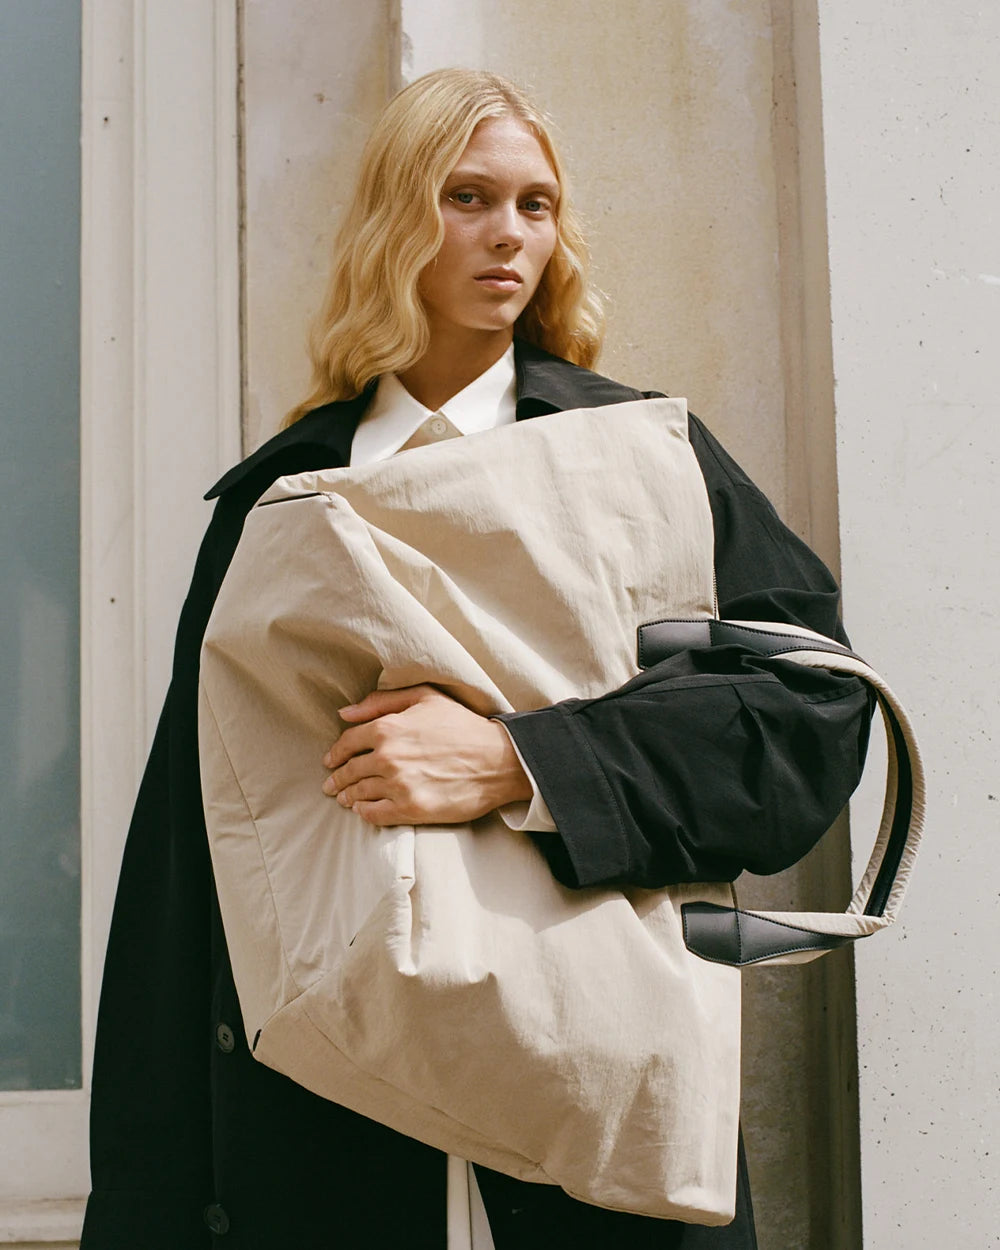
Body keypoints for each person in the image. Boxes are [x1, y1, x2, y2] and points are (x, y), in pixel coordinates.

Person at [81, 69, 872, 1249]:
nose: (509, 233)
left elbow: (809, 719)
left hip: (599, 1144)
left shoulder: (640, 460)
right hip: (328, 1140)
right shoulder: (285, 502)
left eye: (536, 205)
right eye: (466, 196)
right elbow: (188, 875)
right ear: (396, 218)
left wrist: (524, 761)